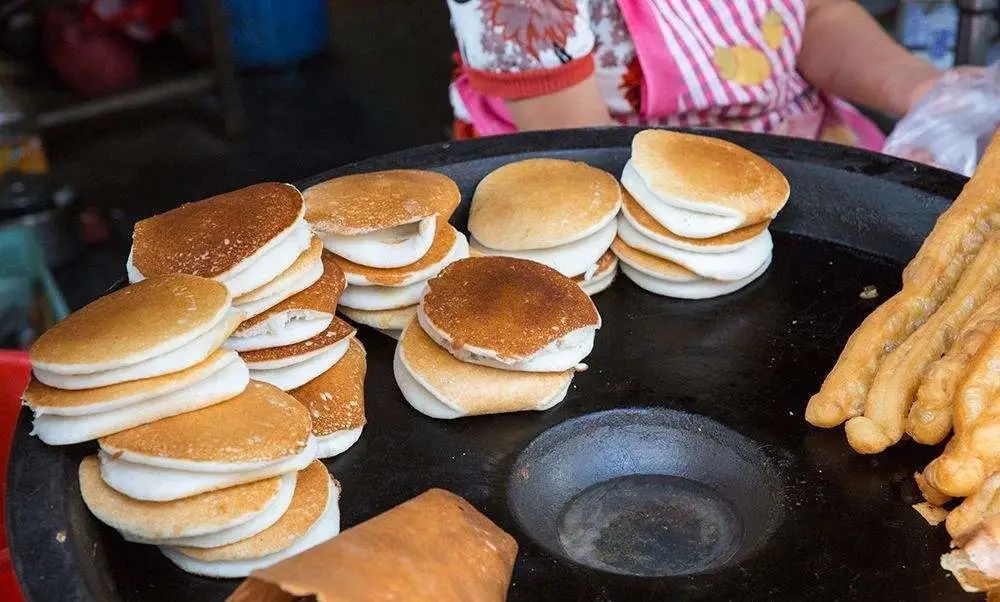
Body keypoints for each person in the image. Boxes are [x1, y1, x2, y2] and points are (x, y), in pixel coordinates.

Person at [445, 0, 969, 151]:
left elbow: (817, 14)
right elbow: (584, 157)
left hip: (799, 140)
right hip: (612, 177)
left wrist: (929, 93)